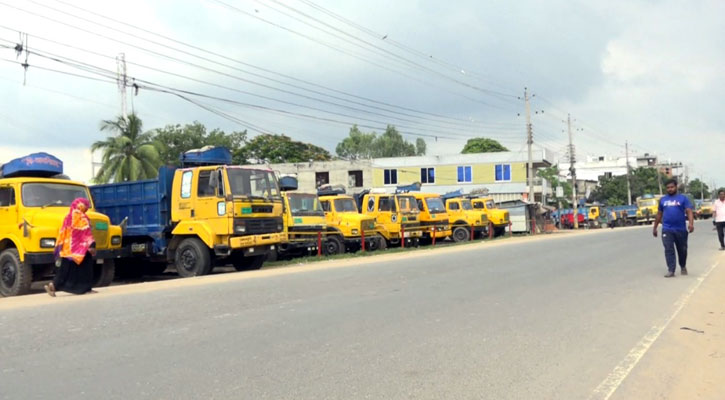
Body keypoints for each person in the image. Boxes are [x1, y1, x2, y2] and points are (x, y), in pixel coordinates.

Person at [44, 198, 97, 296]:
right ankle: (86, 288)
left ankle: (54, 285)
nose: (86, 209)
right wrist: (92, 245)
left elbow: (63, 232)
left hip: (67, 247)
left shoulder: (68, 217)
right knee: (86, 268)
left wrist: (60, 246)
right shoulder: (81, 217)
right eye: (86, 206)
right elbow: (86, 233)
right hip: (81, 248)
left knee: (66, 269)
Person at [652, 179, 694, 278]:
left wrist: (691, 223)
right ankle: (671, 270)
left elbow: (689, 211)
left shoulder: (683, 199)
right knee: (668, 249)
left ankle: (683, 266)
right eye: (668, 188)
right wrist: (655, 227)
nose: (670, 189)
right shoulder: (663, 200)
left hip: (681, 229)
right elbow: (659, 214)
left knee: (682, 250)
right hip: (667, 229)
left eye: (672, 187)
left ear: (676, 187)